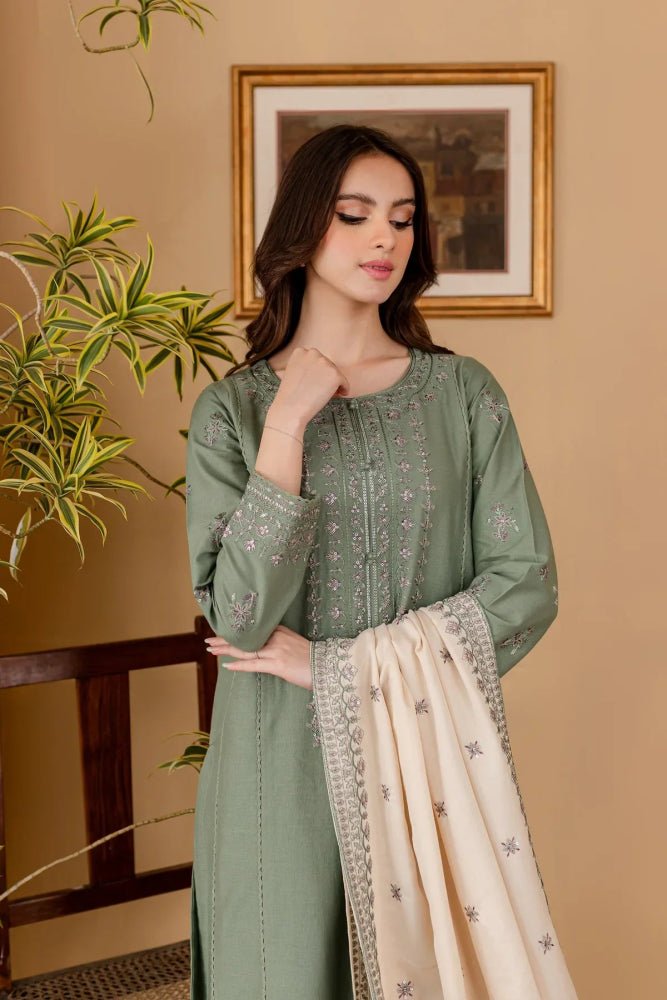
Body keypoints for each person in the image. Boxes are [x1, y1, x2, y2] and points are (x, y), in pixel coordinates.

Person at [185, 124, 563, 999]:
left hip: (427, 762)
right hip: (275, 766)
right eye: (354, 215)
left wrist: (341, 667)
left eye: (401, 218)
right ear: (303, 228)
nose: (383, 238)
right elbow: (238, 618)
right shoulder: (233, 411)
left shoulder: (462, 394)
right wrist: (287, 424)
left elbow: (527, 583)